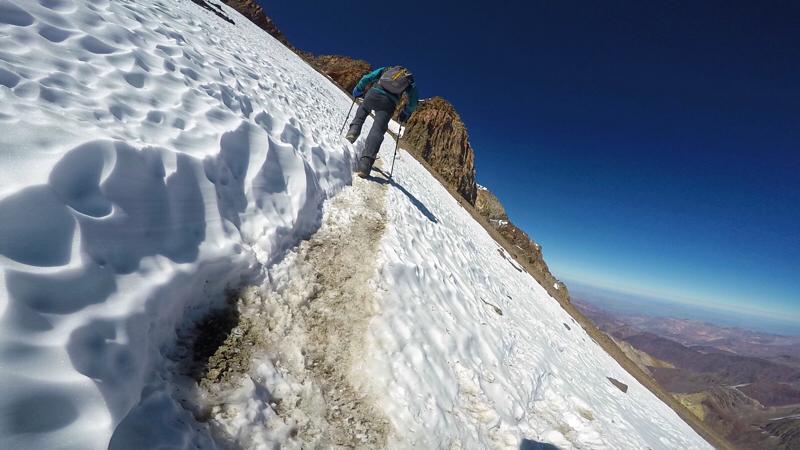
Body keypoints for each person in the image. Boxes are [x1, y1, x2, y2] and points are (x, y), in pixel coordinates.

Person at [346, 66, 419, 177]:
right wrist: (406, 112)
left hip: (374, 93)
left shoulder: (387, 69)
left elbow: (368, 77)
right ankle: (365, 165)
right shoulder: (409, 80)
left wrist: (359, 89)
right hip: (388, 103)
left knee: (363, 109)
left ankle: (353, 131)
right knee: (378, 130)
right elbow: (413, 100)